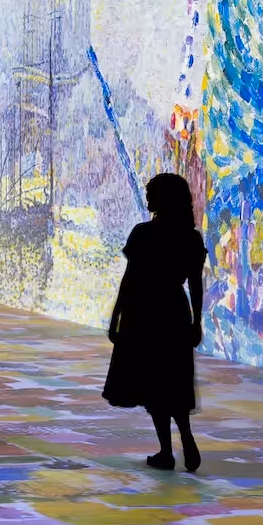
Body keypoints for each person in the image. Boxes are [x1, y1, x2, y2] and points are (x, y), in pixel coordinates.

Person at [102, 173, 208, 472]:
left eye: (152, 194)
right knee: (174, 380)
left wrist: (116, 317)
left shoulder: (143, 233)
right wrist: (196, 322)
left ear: (162, 199)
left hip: (143, 313)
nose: (148, 198)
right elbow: (195, 285)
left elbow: (129, 280)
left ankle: (166, 452)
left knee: (151, 383)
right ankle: (186, 436)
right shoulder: (191, 237)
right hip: (174, 312)